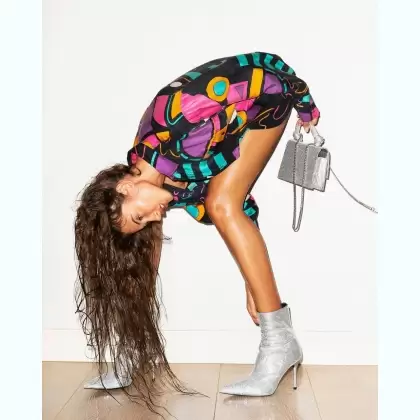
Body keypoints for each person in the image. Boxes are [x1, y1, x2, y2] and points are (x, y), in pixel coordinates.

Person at [74, 51, 320, 410]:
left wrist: (304, 102)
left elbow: (246, 72)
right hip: (231, 125)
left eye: (138, 214)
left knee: (221, 204)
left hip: (266, 94)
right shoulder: (173, 182)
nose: (151, 216)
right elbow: (245, 210)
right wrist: (252, 285)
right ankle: (134, 344)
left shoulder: (173, 119)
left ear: (125, 187)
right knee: (159, 233)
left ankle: (280, 343)